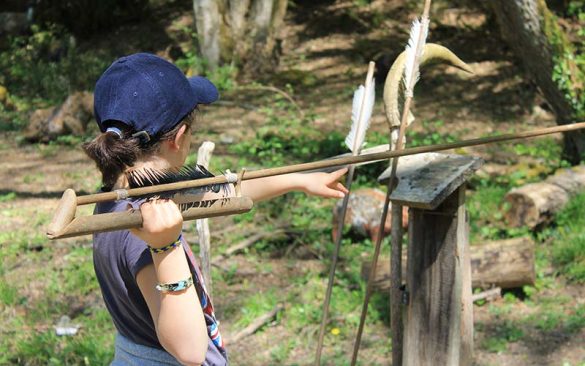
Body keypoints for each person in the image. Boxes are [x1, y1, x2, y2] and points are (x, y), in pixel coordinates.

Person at [83, 52, 348, 366]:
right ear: (179, 137)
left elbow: (225, 192)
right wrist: (166, 246)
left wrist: (298, 180)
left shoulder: (120, 195)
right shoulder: (142, 231)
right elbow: (189, 351)